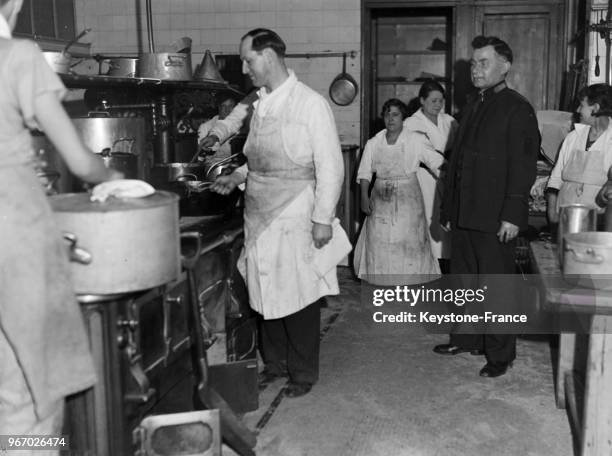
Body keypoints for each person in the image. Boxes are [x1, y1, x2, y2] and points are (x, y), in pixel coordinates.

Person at [0, 0, 122, 444]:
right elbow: (79, 160)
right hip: (12, 239)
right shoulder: (17, 57)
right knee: (32, 394)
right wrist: (112, 177)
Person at [204, 28, 344, 398]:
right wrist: (236, 175)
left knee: (298, 295)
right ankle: (276, 364)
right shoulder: (259, 102)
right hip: (259, 209)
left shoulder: (309, 103)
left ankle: (302, 373)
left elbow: (330, 166)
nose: (246, 70)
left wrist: (322, 219)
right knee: (264, 289)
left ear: (268, 56)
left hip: (295, 210)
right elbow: (262, 162)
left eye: (248, 61)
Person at [434, 36, 540, 378]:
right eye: (473, 64)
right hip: (466, 214)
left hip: (495, 217)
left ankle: (499, 354)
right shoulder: (473, 104)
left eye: (483, 63)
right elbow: (457, 164)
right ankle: (466, 339)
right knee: (463, 281)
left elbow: (523, 167)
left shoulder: (517, 107)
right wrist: (449, 211)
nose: (476, 70)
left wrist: (512, 215)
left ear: (504, 66)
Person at [353, 98, 443, 286]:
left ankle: (409, 288)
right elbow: (364, 173)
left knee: (407, 244)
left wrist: (451, 179)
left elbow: (437, 163)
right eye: (387, 114)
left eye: (395, 114)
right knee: (380, 244)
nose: (390, 118)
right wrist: (363, 196)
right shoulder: (374, 142)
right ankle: (382, 287)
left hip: (407, 201)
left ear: (403, 118)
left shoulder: (415, 139)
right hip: (380, 200)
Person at [404, 80, 457, 270]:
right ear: (422, 100)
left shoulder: (450, 121)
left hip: (447, 178)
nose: (437, 105)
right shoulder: (411, 124)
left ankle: (444, 269)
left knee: (445, 228)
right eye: (433, 101)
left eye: (441, 101)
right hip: (423, 180)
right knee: (426, 223)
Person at [546, 83, 612, 221]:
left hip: (598, 220)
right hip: (565, 216)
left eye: (582, 105)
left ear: (595, 108)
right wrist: (552, 213)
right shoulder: (573, 136)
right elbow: (556, 178)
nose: (577, 110)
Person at [197, 94, 239, 168]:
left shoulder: (241, 127)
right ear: (219, 107)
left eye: (230, 106)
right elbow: (200, 159)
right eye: (224, 106)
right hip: (211, 169)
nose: (227, 110)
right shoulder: (206, 127)